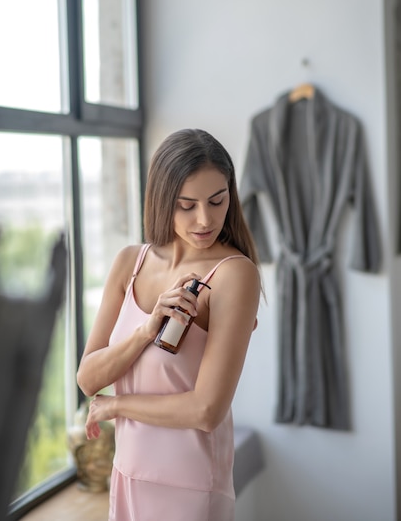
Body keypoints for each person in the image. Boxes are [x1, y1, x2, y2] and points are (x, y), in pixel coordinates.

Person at [77, 128, 261, 521]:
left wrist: (117, 406)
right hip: (127, 474)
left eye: (217, 200)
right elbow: (88, 377)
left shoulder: (234, 274)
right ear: (163, 200)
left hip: (190, 486)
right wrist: (146, 331)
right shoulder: (131, 263)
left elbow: (206, 410)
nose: (205, 219)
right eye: (186, 205)